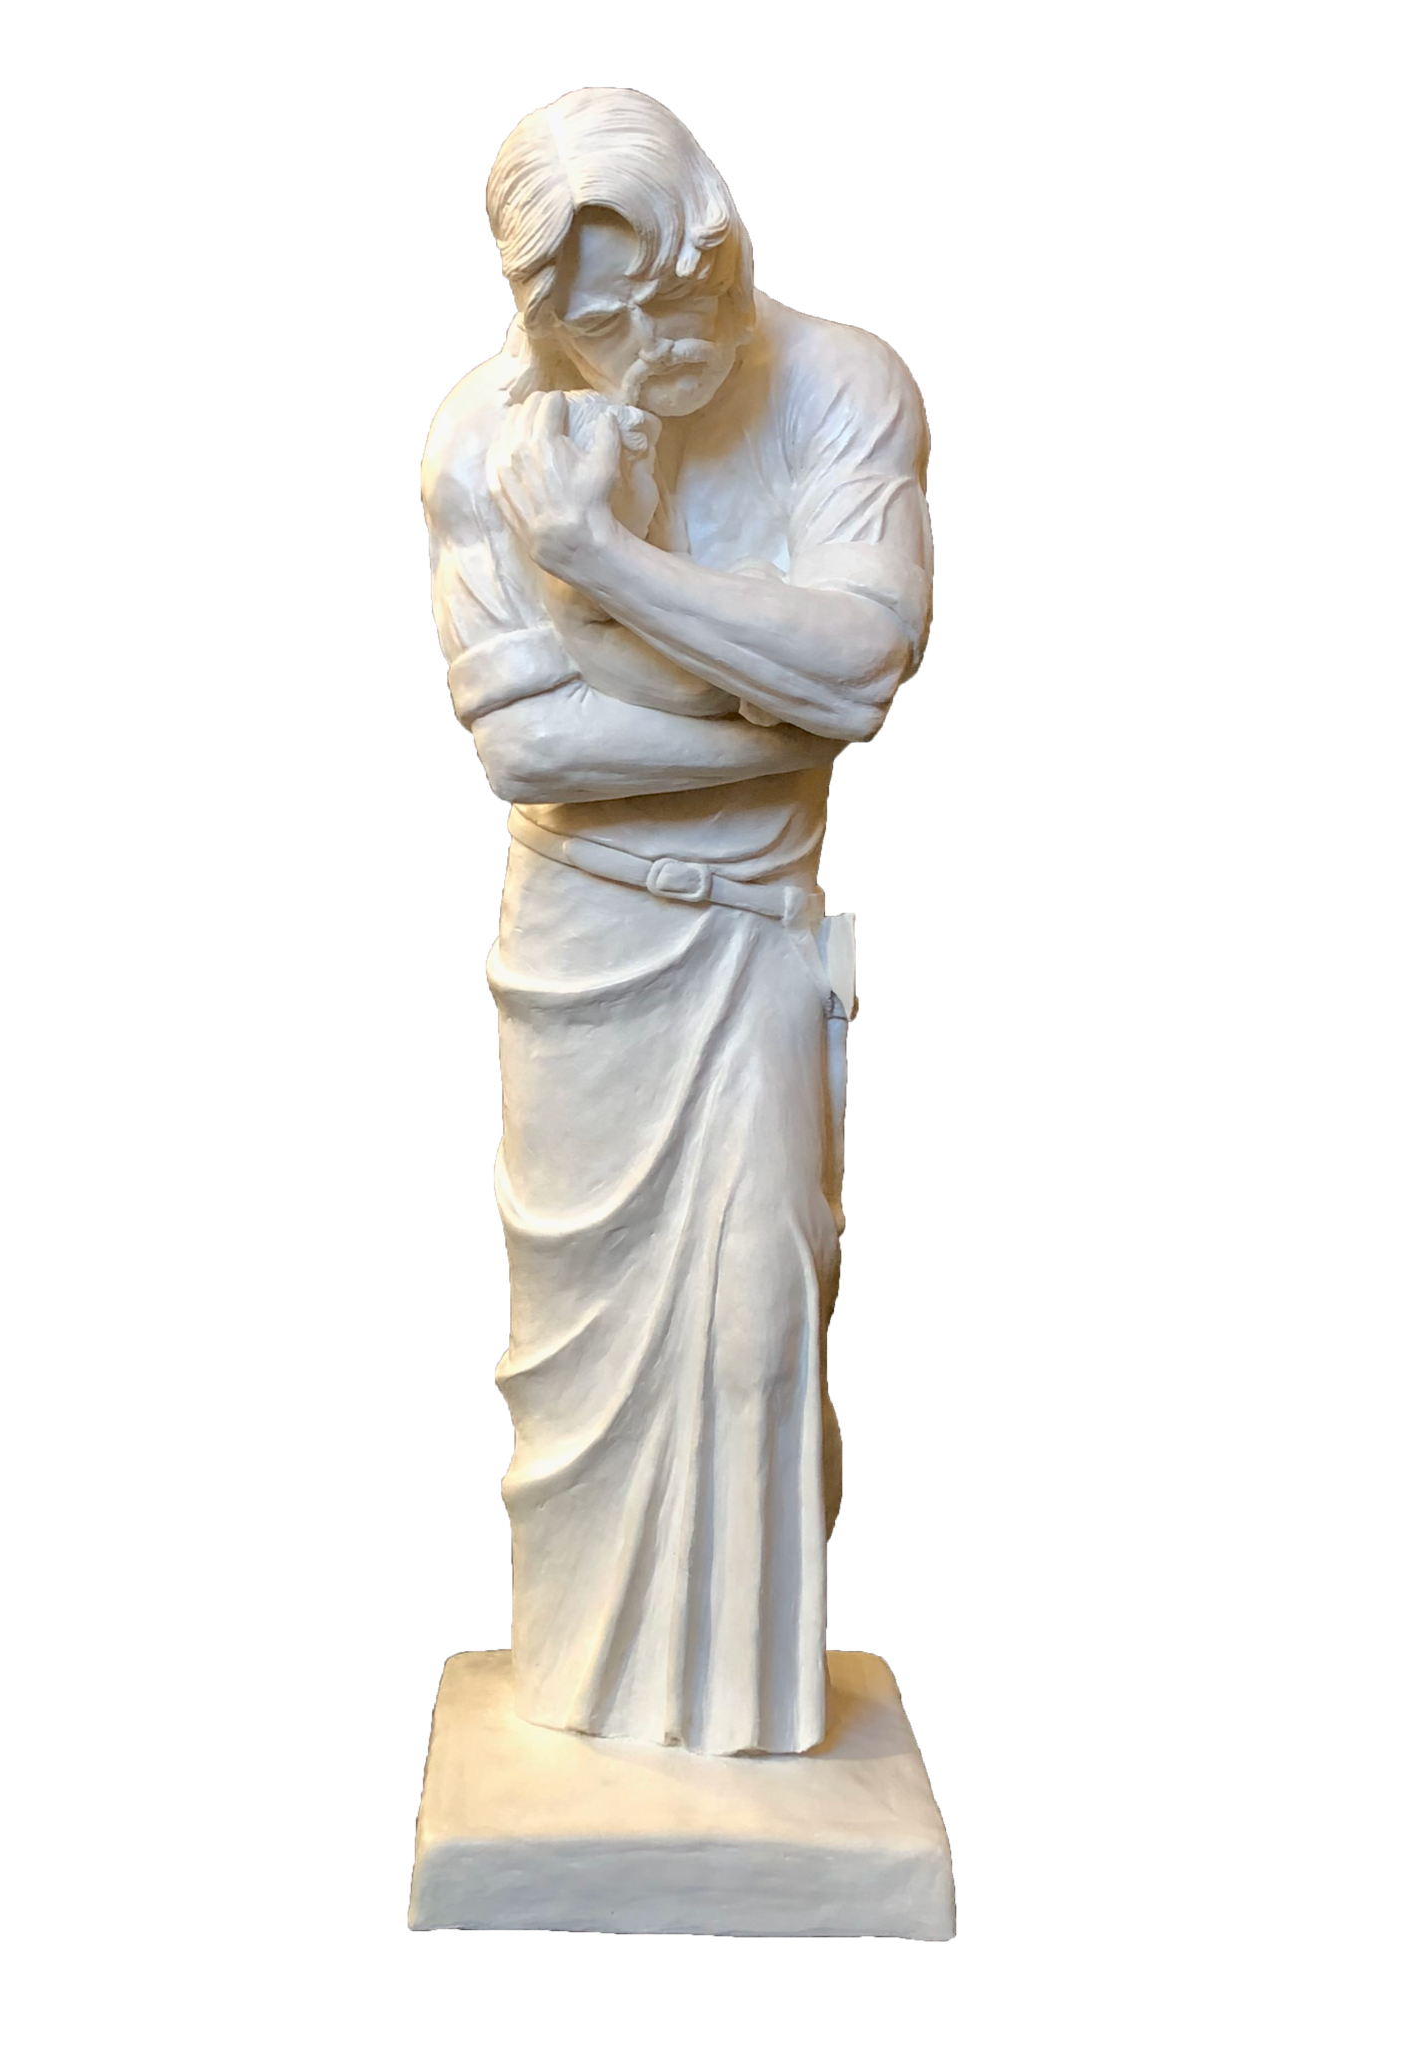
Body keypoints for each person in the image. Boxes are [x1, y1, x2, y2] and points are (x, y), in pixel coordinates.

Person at [420, 86, 932, 1756]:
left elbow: (860, 665)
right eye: (599, 319)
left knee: (761, 1336)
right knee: (578, 1375)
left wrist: (602, 563)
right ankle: (591, 1713)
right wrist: (770, 710)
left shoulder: (841, 386)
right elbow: (529, 752)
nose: (653, 343)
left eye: (674, 292)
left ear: (720, 234)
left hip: (754, 938)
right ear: (538, 313)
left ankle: (738, 1724)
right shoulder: (482, 435)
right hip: (581, 951)